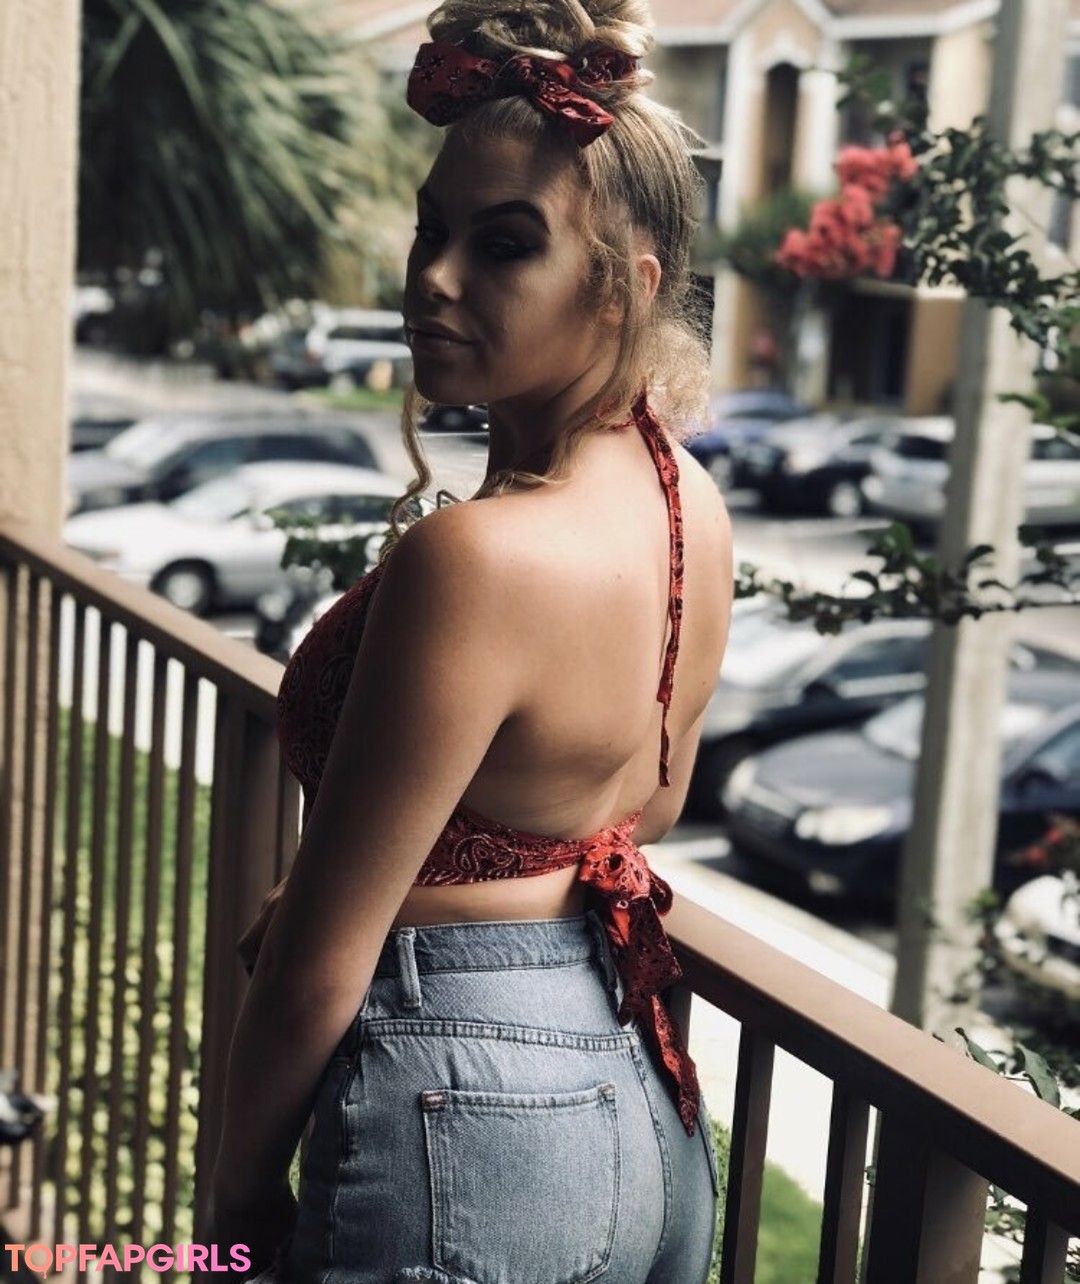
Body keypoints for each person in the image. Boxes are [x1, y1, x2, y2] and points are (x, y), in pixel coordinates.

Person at [207, 0, 734, 1279]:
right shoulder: (687, 504)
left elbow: (318, 968)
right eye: (430, 230)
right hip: (638, 1109)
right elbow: (646, 803)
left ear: (625, 288)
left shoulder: (478, 558)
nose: (434, 278)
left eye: (504, 245)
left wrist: (230, 1205)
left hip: (470, 1107)